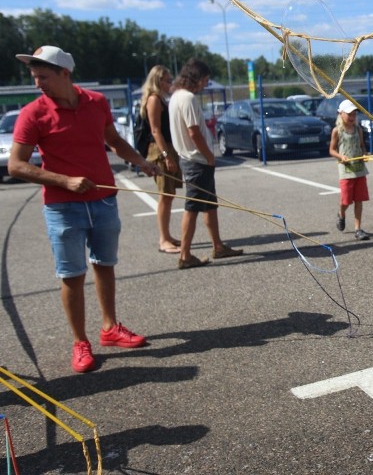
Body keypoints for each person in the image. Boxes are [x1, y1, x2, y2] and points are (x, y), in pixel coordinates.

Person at [9, 45, 158, 373]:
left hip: (103, 200)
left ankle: (110, 328)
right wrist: (64, 180)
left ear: (65, 73)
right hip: (63, 208)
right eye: (34, 77)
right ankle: (80, 342)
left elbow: (114, 142)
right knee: (72, 275)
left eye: (43, 76)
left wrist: (142, 163)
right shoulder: (33, 113)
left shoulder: (97, 102)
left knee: (105, 265)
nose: (38, 83)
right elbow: (17, 166)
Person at [169, 58, 242, 269]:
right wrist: (209, 156)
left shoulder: (176, 97)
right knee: (191, 208)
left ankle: (218, 246)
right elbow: (194, 132)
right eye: (205, 80)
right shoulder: (188, 98)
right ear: (197, 78)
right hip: (196, 161)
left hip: (192, 160)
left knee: (210, 205)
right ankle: (184, 255)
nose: (206, 84)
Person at [140, 65, 182, 253]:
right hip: (159, 149)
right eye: (167, 80)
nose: (170, 83)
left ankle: (167, 235)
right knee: (164, 195)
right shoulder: (154, 100)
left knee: (169, 194)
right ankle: (163, 239)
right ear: (158, 81)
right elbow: (155, 130)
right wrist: (166, 156)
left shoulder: (161, 99)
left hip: (167, 148)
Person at [329, 99, 370, 241]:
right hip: (345, 170)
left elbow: (362, 146)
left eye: (354, 114)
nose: (352, 118)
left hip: (359, 169)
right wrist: (341, 156)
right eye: (349, 115)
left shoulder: (358, 130)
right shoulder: (337, 131)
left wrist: (365, 154)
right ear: (341, 114)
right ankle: (341, 213)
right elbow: (332, 150)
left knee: (359, 200)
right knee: (346, 200)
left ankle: (358, 229)